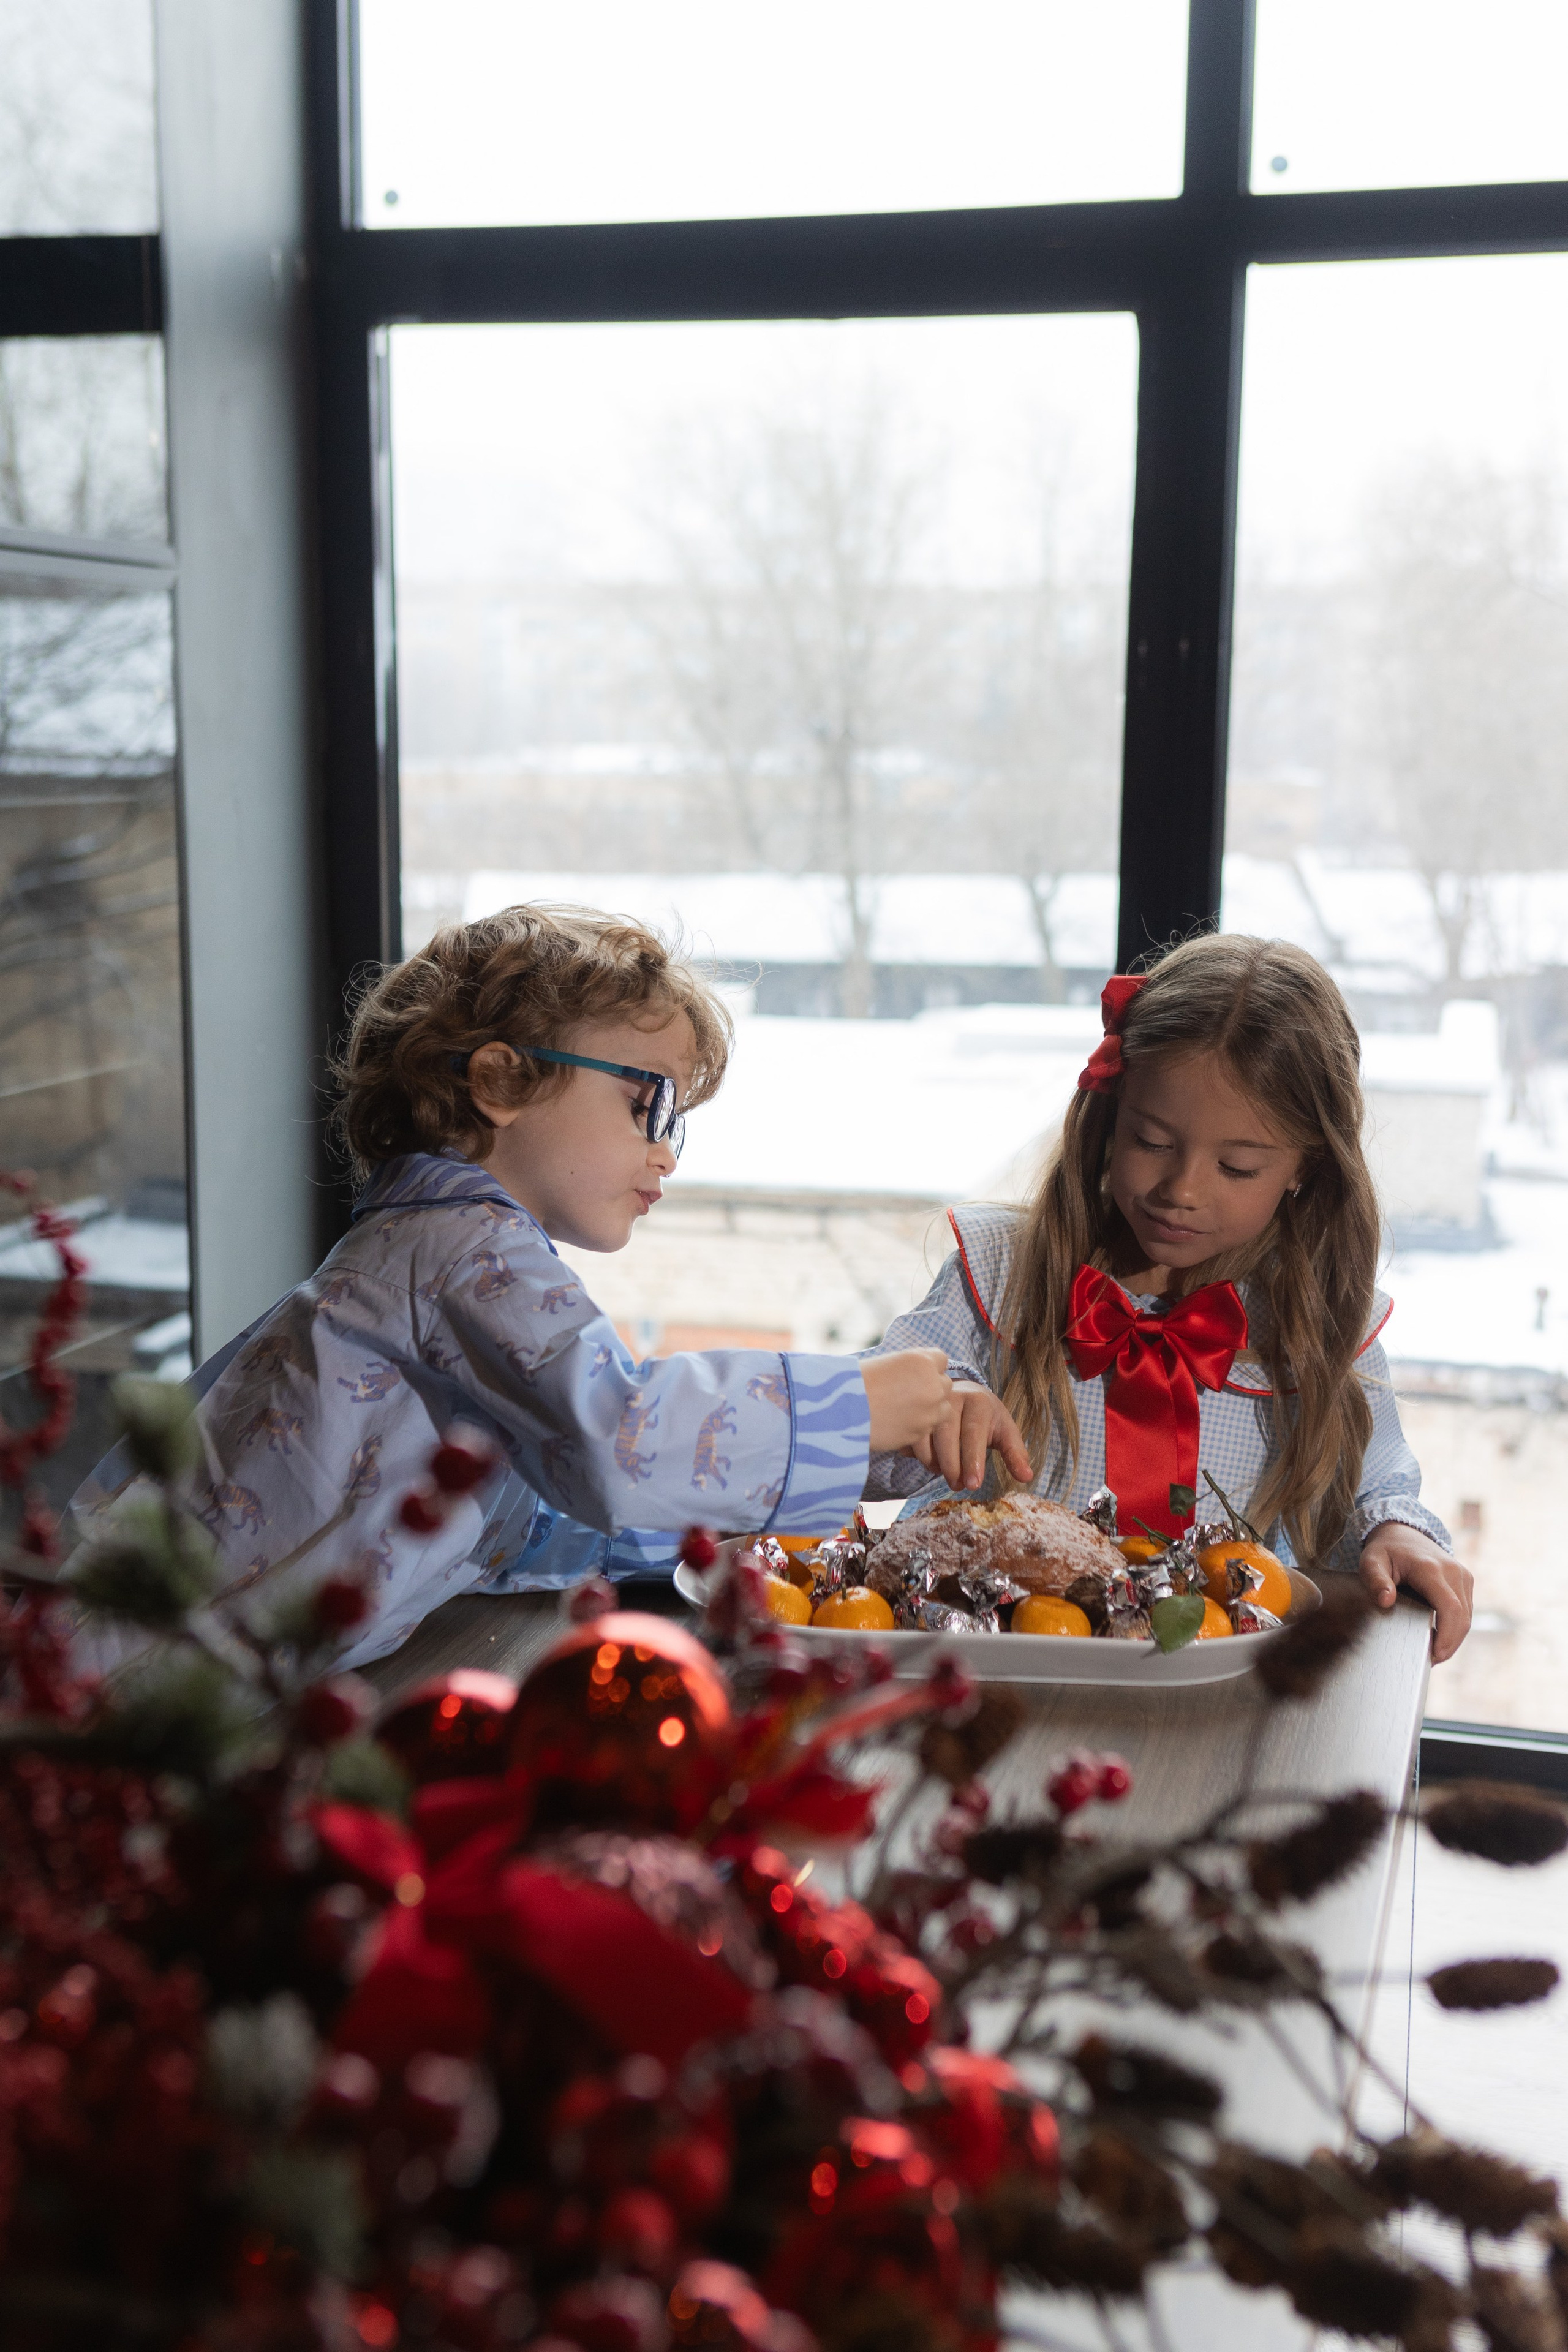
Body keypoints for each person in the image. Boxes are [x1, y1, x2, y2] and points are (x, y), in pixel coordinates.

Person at [71, 905, 965, 1668]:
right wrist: (854, 1406)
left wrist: (846, 1466)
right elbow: (619, 1439)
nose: (664, 1152)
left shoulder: (431, 1246)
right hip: (122, 1688)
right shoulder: (460, 1247)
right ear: (501, 1081)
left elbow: (539, 1511)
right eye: (646, 1105)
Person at [863, 933, 1474, 1663]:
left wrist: (1397, 1532)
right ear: (1109, 1119)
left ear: (1306, 1167)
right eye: (1152, 1142)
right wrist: (938, 1407)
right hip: (981, 1681)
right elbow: (859, 1441)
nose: (1181, 1189)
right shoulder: (999, 1274)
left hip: (1217, 1692)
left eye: (1236, 1167)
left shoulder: (1320, 1327)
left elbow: (1375, 1490)